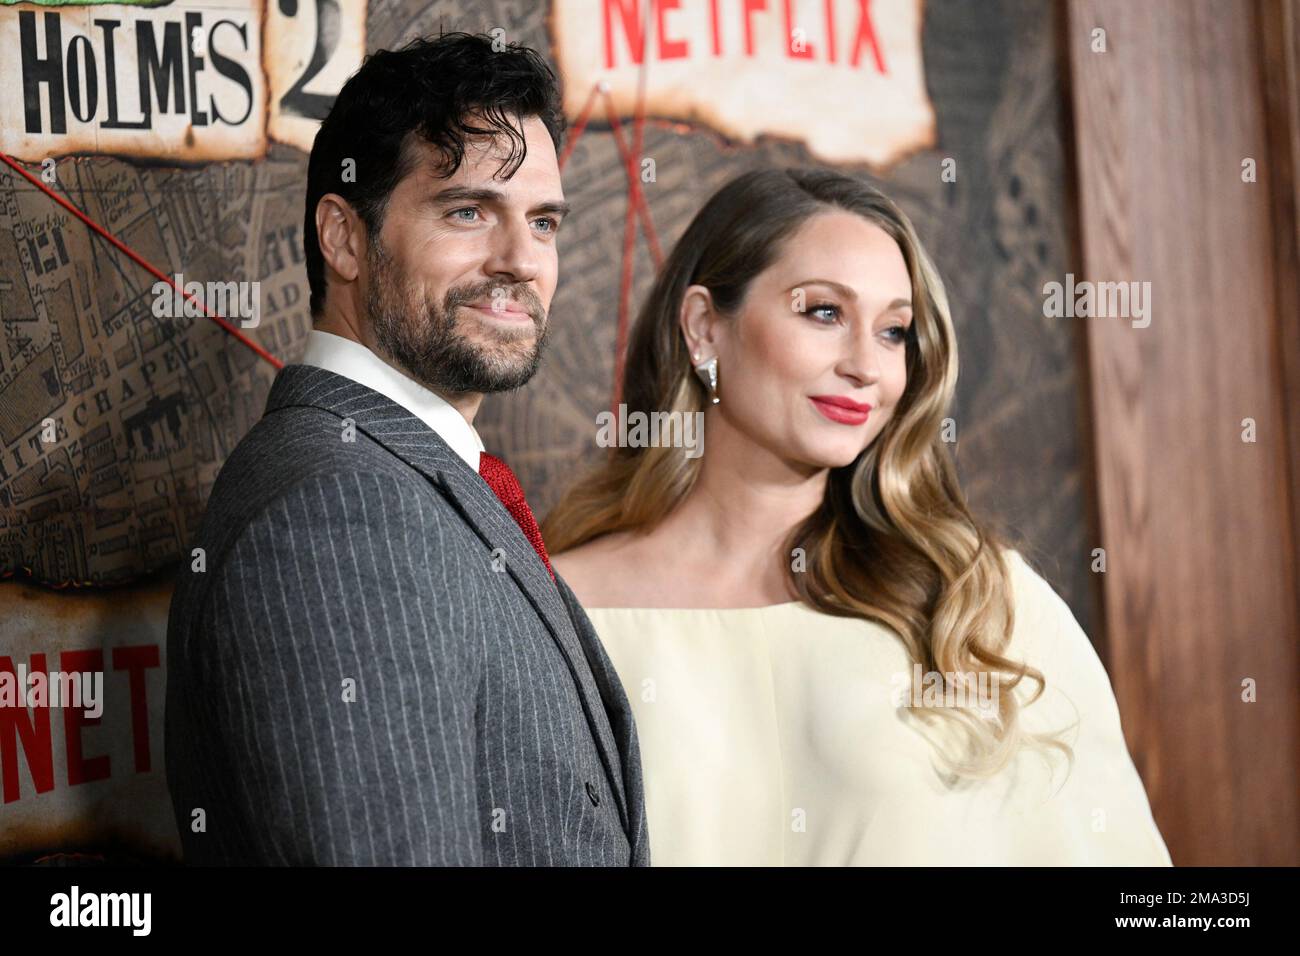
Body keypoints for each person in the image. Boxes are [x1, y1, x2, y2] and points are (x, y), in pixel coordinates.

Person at [545, 167, 1172, 866]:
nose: (866, 366)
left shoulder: (976, 597)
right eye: (823, 312)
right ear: (703, 328)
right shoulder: (559, 610)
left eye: (894, 331)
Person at [165, 33, 649, 866]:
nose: (521, 262)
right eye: (468, 212)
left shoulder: (403, 478)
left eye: (542, 221)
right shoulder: (339, 515)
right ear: (344, 238)